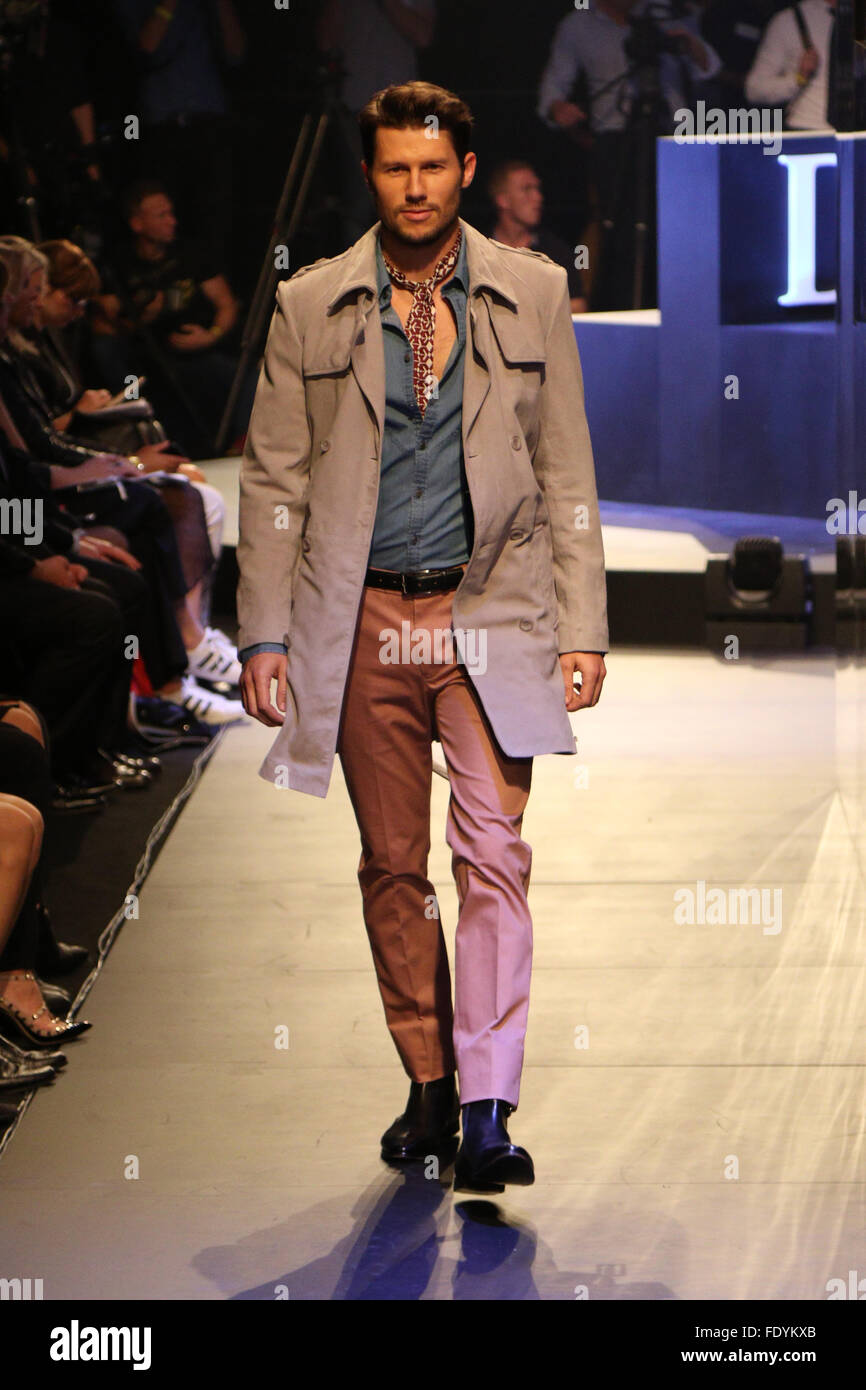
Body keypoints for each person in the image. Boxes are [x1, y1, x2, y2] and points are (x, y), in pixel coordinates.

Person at [236, 81, 609, 1191]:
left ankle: (489, 1105)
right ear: (371, 174)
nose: (414, 186)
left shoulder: (534, 292)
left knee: (492, 855)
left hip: (488, 610)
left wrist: (582, 623)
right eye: (395, 167)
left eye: (432, 167)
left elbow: (567, 469)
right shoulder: (309, 305)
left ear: (464, 170)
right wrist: (263, 638)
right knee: (393, 866)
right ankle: (431, 1081)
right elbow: (272, 483)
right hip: (358, 622)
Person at [537, 0, 721, 308]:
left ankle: (685, 305)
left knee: (679, 230)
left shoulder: (665, 13)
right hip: (615, 142)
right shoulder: (579, 24)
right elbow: (551, 92)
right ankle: (621, 310)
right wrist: (559, 110)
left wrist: (689, 43)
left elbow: (711, 67)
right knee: (618, 232)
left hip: (675, 141)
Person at [92, 181, 256, 455]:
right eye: (161, 215)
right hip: (142, 359)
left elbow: (226, 304)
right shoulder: (118, 263)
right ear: (138, 224)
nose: (172, 221)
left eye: (171, 213)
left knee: (247, 376)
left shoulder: (190, 253)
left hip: (194, 351)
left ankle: (241, 445)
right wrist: (142, 318)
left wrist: (210, 335)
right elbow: (105, 323)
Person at [487, 160, 588, 313]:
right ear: (503, 200)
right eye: (526, 189)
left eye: (537, 189)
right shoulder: (479, 248)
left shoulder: (556, 252)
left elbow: (578, 307)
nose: (538, 197)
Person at [745, 0, 838, 130]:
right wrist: (799, 78)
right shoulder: (789, 21)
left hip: (859, 132)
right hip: (809, 130)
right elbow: (754, 89)